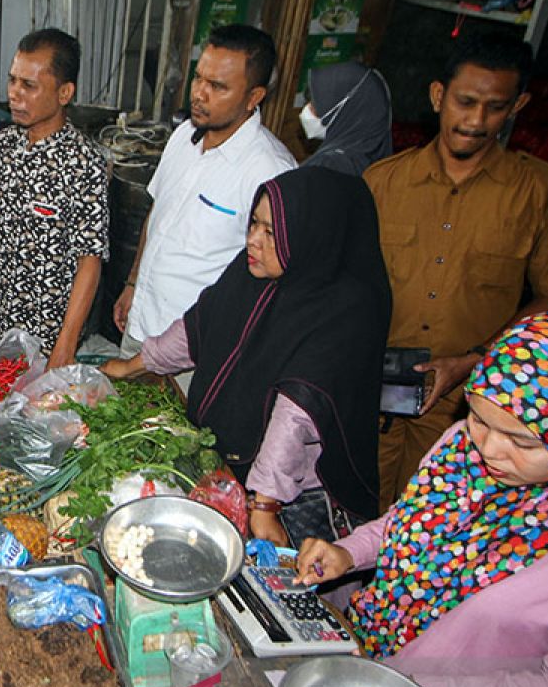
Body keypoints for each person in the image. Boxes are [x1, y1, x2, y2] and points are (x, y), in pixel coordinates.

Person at [297, 313, 548, 687]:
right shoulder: (460, 446)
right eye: (480, 418)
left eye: (521, 441)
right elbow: (408, 522)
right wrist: (348, 552)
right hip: (365, 658)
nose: (490, 450)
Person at [102, 167, 391, 545]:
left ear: (311, 236)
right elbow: (199, 328)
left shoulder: (344, 309)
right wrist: (134, 365)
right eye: (253, 223)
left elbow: (296, 409)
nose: (253, 240)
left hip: (294, 488)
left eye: (270, 232)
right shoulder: (251, 272)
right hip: (235, 466)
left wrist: (265, 503)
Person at [365, 32, 548, 509]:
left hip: (471, 411)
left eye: (495, 107)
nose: (476, 121)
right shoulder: (383, 182)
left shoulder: (541, 191)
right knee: (357, 515)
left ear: (518, 105)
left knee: (435, 526)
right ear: (439, 96)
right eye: (465, 102)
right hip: (372, 395)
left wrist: (474, 361)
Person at [115, 24, 295, 359]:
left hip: (197, 351)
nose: (199, 93)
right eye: (199, 78)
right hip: (141, 326)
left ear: (253, 98)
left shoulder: (270, 172)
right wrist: (132, 283)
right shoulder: (184, 135)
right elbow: (158, 214)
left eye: (217, 86)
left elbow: (275, 278)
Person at [0, 28, 108, 369]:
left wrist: (66, 344)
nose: (14, 94)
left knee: (34, 421)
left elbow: (90, 260)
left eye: (29, 85)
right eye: (12, 81)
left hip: (46, 335)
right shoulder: (2, 147)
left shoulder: (83, 162)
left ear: (64, 92)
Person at [298, 60, 392, 176]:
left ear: (347, 113)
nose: (307, 110)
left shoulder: (328, 166)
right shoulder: (375, 162)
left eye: (316, 106)